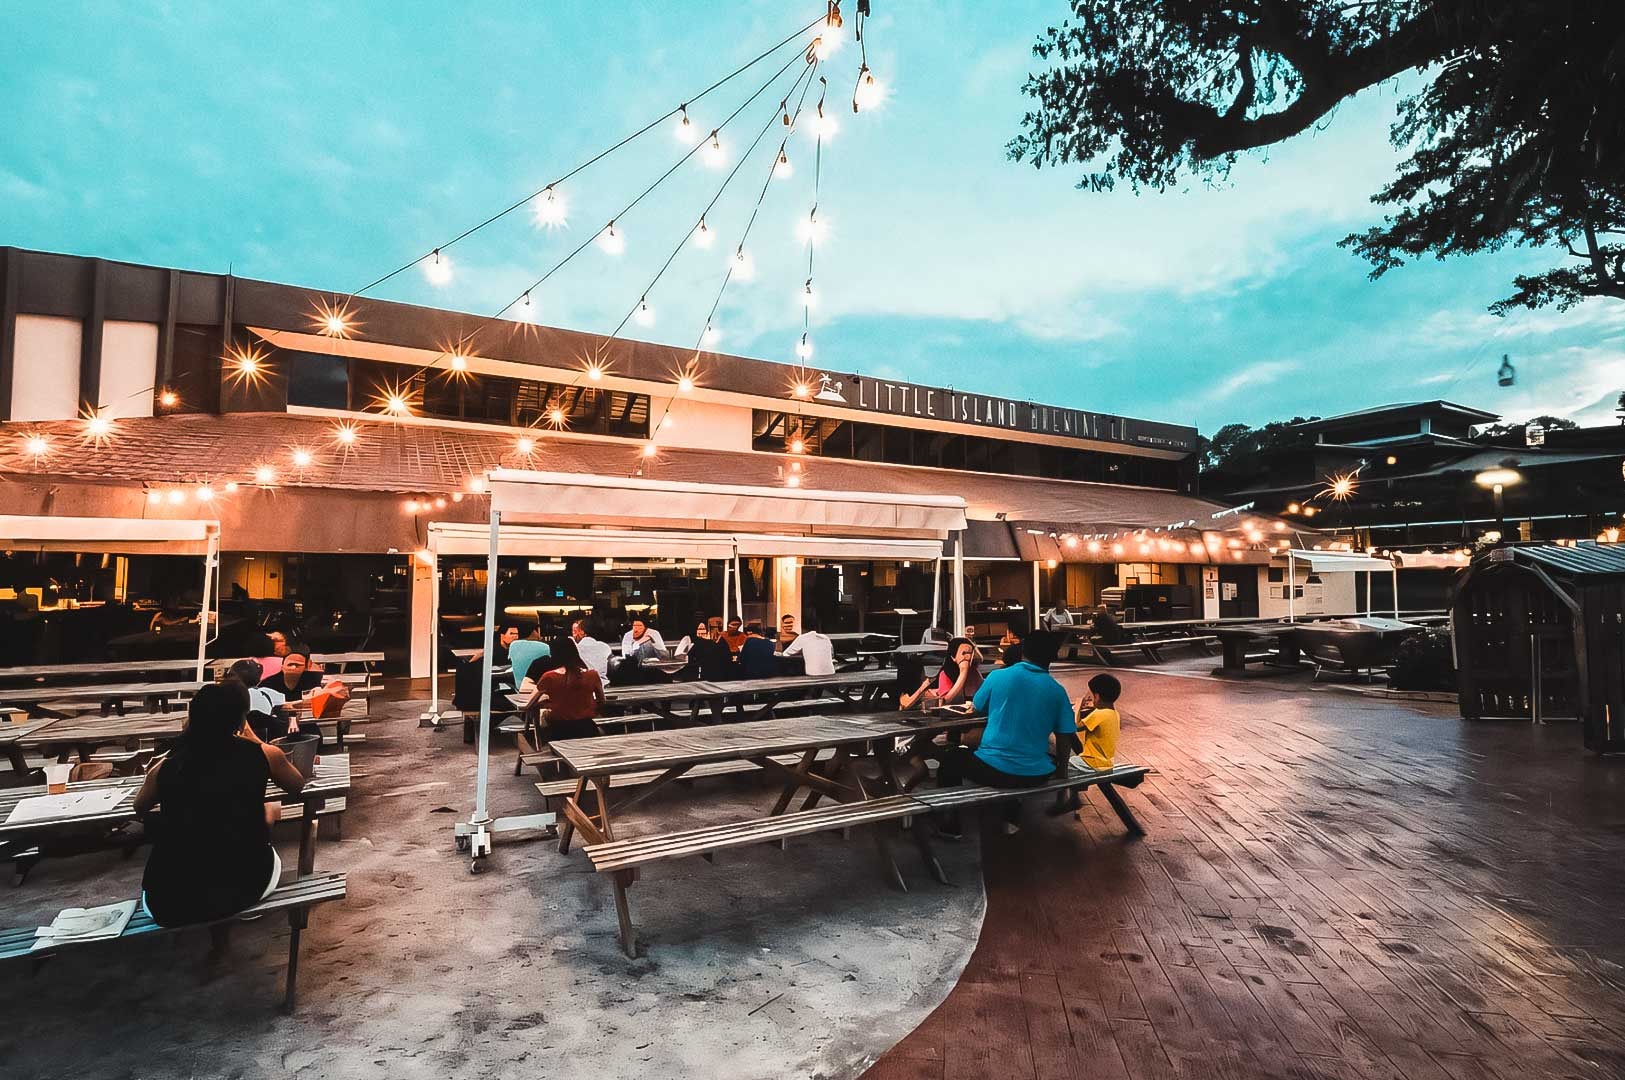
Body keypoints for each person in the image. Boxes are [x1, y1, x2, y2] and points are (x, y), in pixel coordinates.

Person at [133, 681, 307, 927]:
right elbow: (297, 785)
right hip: (242, 888)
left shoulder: (168, 766)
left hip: (168, 901)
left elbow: (139, 808)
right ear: (240, 720)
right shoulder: (264, 754)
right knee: (267, 830)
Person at [925, 630, 1076, 837]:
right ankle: (1010, 819)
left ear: (1023, 651)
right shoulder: (1058, 691)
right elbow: (1065, 737)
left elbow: (977, 707)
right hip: (1036, 775)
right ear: (1053, 656)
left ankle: (950, 824)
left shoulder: (998, 677)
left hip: (993, 770)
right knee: (1034, 757)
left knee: (952, 759)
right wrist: (1063, 775)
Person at [1051, 672, 1122, 815]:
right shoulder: (1114, 713)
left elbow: (1074, 726)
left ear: (1097, 696)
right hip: (1106, 762)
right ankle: (1073, 798)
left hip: (1092, 763)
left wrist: (1077, 708)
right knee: (1072, 760)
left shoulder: (1099, 714)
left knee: (1061, 765)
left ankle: (1062, 802)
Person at [522, 637, 605, 743]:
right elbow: (602, 701)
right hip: (588, 728)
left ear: (553, 654)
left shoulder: (549, 677)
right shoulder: (592, 675)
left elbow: (531, 702)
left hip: (559, 732)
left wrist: (548, 705)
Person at [936, 637, 984, 704]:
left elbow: (984, 695)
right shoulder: (945, 674)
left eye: (970, 653)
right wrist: (963, 672)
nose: (968, 657)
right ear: (953, 657)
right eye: (964, 653)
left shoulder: (974, 673)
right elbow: (945, 701)